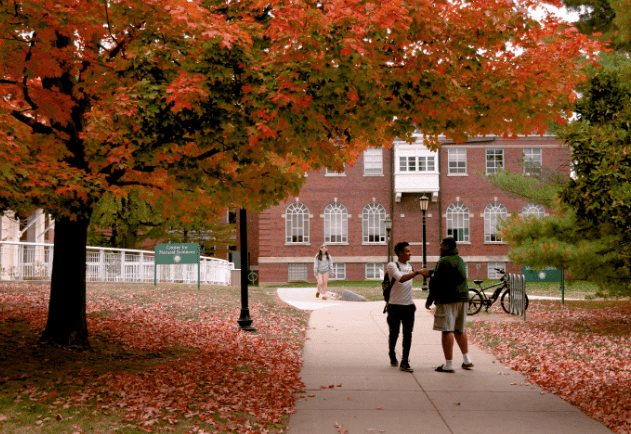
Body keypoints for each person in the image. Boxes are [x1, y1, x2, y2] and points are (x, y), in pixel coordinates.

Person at [420, 237, 473, 373]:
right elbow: (448, 272)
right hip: (463, 298)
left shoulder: (443, 261)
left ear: (447, 246)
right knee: (459, 329)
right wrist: (431, 271)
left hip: (448, 299)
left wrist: (429, 301)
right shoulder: (459, 259)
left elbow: (436, 283)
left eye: (441, 245)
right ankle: (467, 360)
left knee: (447, 330)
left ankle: (449, 364)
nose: (439, 248)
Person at [386, 241, 423, 373]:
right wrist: (417, 273)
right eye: (407, 251)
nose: (410, 253)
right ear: (400, 253)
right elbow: (400, 278)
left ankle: (405, 361)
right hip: (394, 306)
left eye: (409, 251)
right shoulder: (392, 265)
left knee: (408, 335)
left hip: (408, 306)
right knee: (394, 333)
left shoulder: (410, 266)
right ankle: (391, 352)